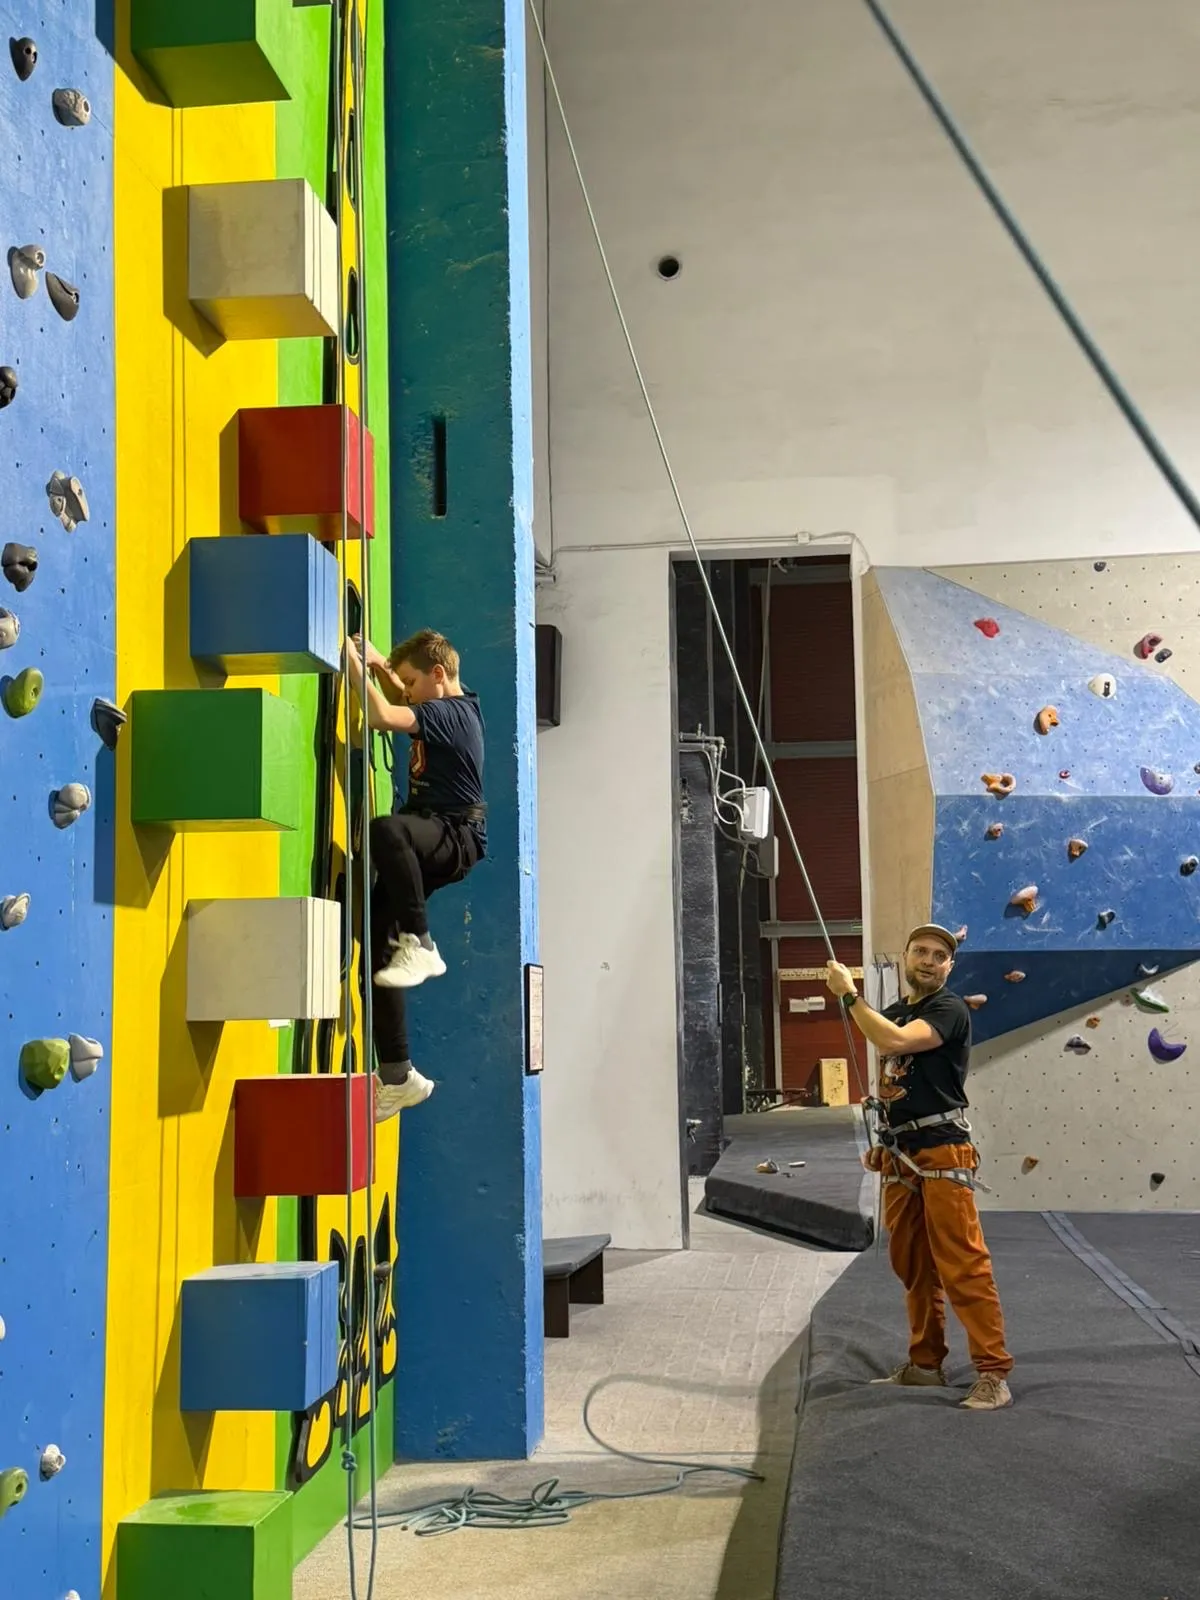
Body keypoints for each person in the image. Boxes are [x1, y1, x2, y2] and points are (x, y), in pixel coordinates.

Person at [825, 925, 1013, 1411]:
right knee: (912, 1263)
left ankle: (993, 1373)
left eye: (939, 955)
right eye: (921, 952)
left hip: (942, 1150)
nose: (929, 960)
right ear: (906, 957)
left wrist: (848, 996)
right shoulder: (893, 1011)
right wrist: (884, 1141)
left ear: (950, 966)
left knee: (962, 1263)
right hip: (902, 1153)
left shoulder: (948, 1010)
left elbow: (894, 1040)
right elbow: (892, 1075)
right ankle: (925, 1364)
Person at [344, 628, 486, 1123]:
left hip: (454, 836)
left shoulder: (451, 714)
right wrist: (381, 665)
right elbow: (401, 698)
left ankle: (421, 943)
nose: (405, 691)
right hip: (434, 831)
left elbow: (383, 716)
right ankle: (399, 1075)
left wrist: (352, 663)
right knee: (377, 956)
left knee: (387, 831)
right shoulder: (445, 703)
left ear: (438, 675)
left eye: (411, 682)